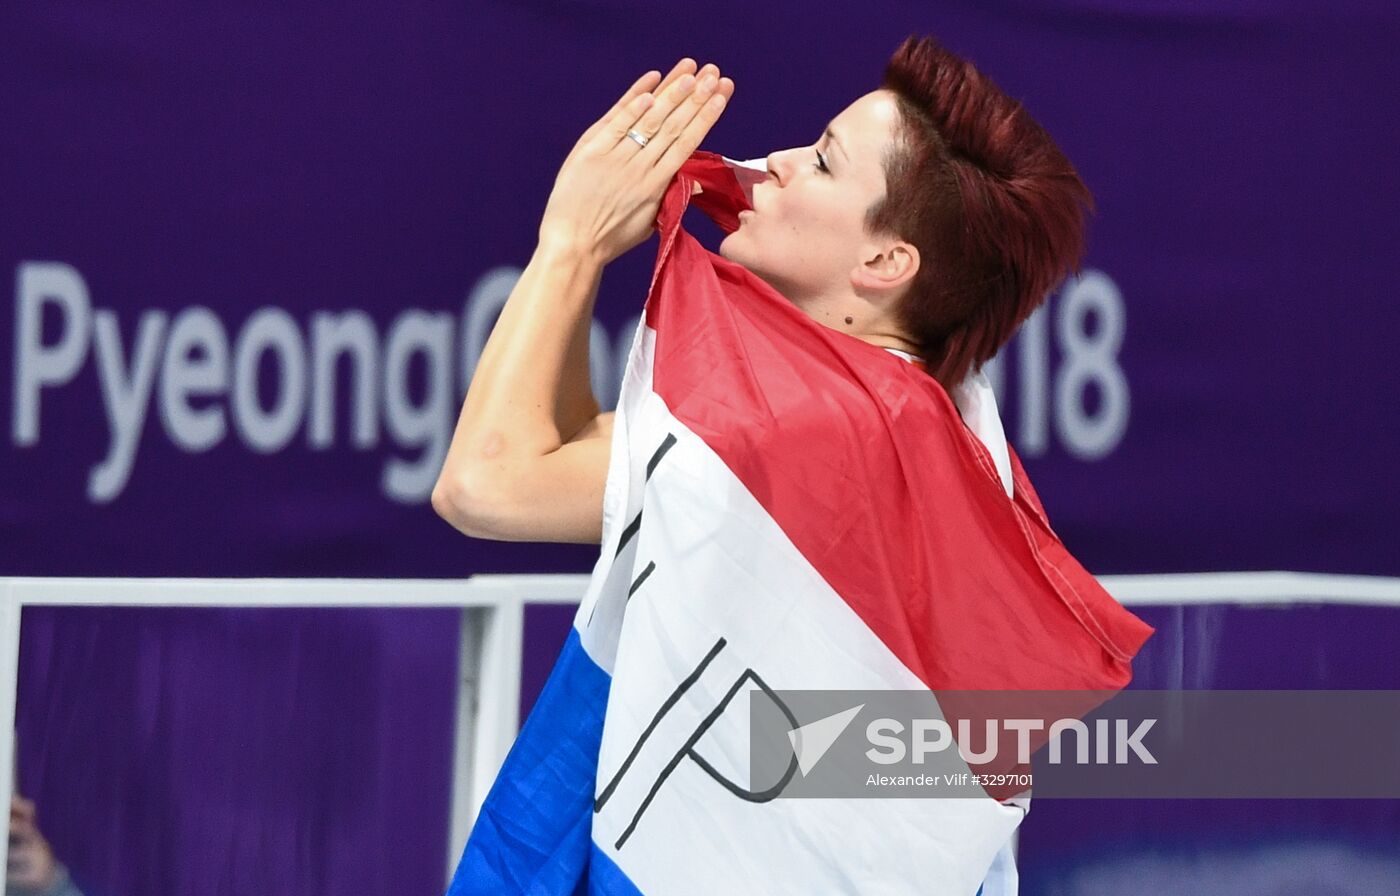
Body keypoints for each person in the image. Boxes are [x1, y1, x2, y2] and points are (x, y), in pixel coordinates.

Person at [433, 36, 1117, 894]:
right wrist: (589, 255)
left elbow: (485, 485)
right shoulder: (925, 426)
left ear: (884, 263)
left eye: (824, 163)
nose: (780, 163)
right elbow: (568, 451)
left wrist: (570, 242)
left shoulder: (805, 433)